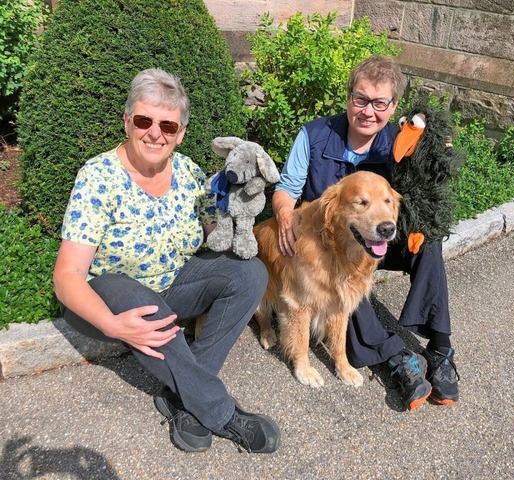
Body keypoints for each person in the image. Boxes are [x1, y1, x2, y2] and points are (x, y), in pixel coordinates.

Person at [52, 68, 280, 453]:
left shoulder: (190, 173)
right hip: (109, 301)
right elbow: (67, 275)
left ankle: (182, 399)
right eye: (144, 120)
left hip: (170, 287)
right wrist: (112, 324)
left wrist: (239, 209)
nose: (155, 133)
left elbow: (213, 233)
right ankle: (222, 413)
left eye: (168, 126)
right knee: (126, 291)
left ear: (181, 133)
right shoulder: (99, 177)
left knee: (249, 274)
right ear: (127, 121)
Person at [272, 55, 459, 412]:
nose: (368, 111)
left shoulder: (400, 144)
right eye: (360, 99)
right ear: (348, 97)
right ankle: (394, 359)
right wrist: (283, 213)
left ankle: (440, 347)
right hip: (331, 246)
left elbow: (425, 189)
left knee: (428, 244)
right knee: (345, 279)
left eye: (379, 103)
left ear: (393, 106)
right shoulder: (313, 135)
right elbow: (287, 187)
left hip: (382, 237)